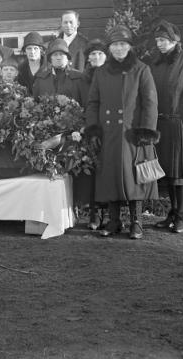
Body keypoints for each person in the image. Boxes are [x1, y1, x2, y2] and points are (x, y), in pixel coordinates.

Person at [86, 25, 159, 239]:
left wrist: (146, 131)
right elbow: (93, 102)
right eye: (115, 45)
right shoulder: (101, 72)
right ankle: (114, 220)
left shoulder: (141, 69)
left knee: (134, 176)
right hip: (108, 132)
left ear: (129, 46)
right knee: (110, 176)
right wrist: (93, 129)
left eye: (122, 44)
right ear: (109, 48)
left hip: (132, 133)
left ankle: (136, 222)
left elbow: (150, 102)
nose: (119, 48)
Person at [149, 20, 183, 234]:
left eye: (163, 40)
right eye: (157, 40)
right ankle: (171, 214)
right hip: (161, 125)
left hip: (180, 125)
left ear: (174, 41)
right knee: (169, 173)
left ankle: (181, 216)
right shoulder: (156, 64)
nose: (159, 44)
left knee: (180, 173)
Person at [81, 37, 107, 230]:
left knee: (107, 171)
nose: (96, 57)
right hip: (89, 128)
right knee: (91, 172)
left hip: (109, 128)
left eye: (100, 53)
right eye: (93, 54)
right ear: (88, 58)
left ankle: (110, 212)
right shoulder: (83, 78)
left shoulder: (111, 75)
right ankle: (94, 213)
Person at [32, 38, 87, 105]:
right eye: (55, 55)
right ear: (51, 58)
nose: (58, 57)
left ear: (67, 58)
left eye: (61, 54)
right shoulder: (40, 79)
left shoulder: (78, 78)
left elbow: (85, 104)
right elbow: (35, 104)